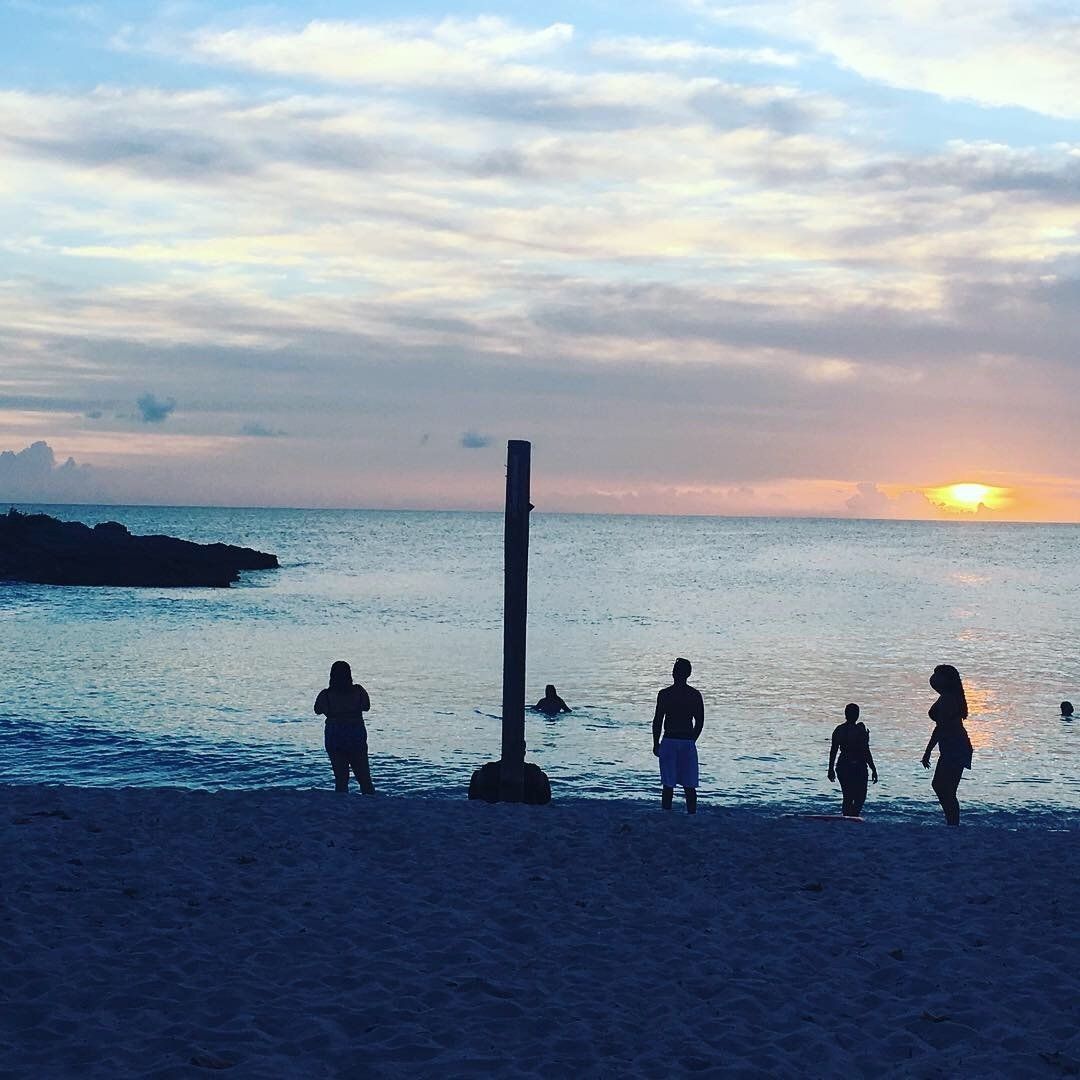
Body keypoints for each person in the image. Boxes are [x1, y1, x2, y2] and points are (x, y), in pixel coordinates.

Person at [921, 664, 973, 826]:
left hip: (955, 745)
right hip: (953, 745)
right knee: (944, 787)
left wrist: (928, 751)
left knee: (943, 787)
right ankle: (952, 822)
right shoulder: (947, 696)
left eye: (938, 674)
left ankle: (953, 823)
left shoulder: (949, 699)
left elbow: (941, 727)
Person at [314, 660, 374, 794]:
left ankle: (342, 802)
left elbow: (317, 710)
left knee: (341, 778)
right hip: (355, 734)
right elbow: (366, 706)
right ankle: (370, 803)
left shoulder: (326, 694)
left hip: (335, 734)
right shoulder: (358, 691)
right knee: (364, 778)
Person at [652, 658, 704, 813]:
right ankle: (691, 814)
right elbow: (699, 722)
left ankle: (667, 812)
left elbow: (658, 721)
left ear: (675, 673)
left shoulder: (665, 694)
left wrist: (656, 743)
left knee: (669, 785)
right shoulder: (694, 695)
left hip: (670, 740)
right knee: (689, 785)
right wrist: (691, 740)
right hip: (684, 740)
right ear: (688, 674)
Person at [827, 703, 878, 817]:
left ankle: (850, 816)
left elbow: (833, 751)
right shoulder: (857, 731)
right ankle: (851, 816)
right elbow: (865, 751)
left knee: (850, 796)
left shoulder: (840, 730)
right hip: (854, 765)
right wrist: (873, 768)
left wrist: (831, 769)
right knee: (856, 796)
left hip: (846, 765)